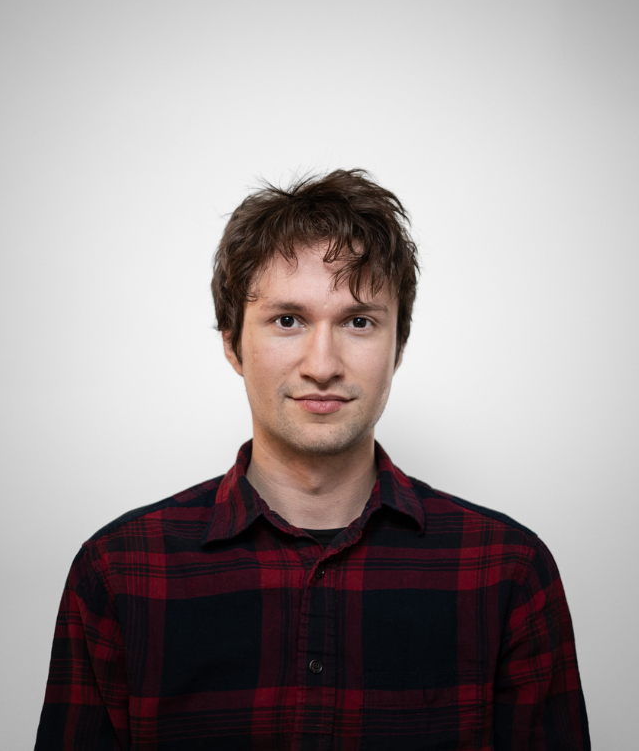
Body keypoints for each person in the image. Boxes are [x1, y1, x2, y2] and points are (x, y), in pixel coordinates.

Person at [35, 169, 590, 750]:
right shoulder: (119, 569)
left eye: (358, 322)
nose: (321, 364)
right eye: (288, 320)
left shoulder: (509, 570)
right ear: (232, 342)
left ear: (398, 346)